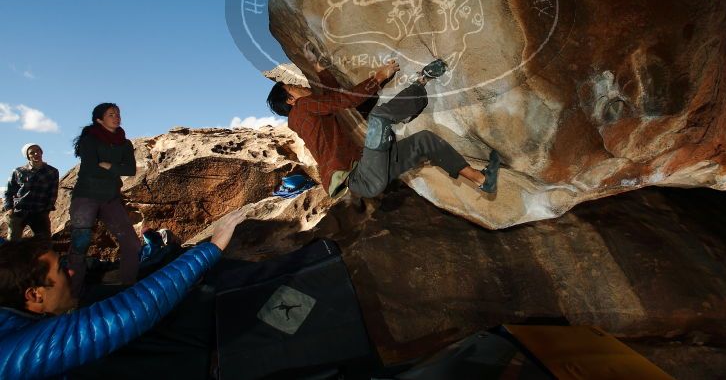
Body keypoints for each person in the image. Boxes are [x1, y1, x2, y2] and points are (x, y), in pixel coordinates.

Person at [0, 208, 247, 380]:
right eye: (61, 271)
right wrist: (211, 248)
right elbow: (129, 311)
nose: (72, 274)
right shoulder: (17, 353)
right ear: (34, 295)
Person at [267, 45, 501, 201]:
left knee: (424, 141)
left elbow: (335, 95)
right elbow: (346, 99)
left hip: (369, 175)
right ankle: (421, 82)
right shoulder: (303, 108)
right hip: (361, 175)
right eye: (294, 87)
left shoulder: (303, 117)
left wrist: (317, 66)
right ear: (291, 99)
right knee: (379, 119)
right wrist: (380, 77)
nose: (303, 86)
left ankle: (482, 180)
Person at [68, 103, 140, 297]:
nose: (116, 117)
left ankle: (128, 290)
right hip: (86, 197)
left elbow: (131, 170)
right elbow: (90, 167)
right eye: (111, 114)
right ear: (99, 119)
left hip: (110, 198)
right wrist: (115, 166)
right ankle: (71, 299)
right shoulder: (89, 140)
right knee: (79, 247)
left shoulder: (125, 143)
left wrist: (108, 165)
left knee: (132, 244)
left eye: (118, 113)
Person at [3, 144, 59, 240]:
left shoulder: (52, 171)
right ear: (28, 156)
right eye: (32, 153)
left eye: (38, 151)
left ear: (42, 152)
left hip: (39, 212)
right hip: (19, 211)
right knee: (12, 242)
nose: (36, 154)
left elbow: (53, 192)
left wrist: (46, 210)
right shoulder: (19, 171)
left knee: (44, 242)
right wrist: (9, 208)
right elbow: (8, 191)